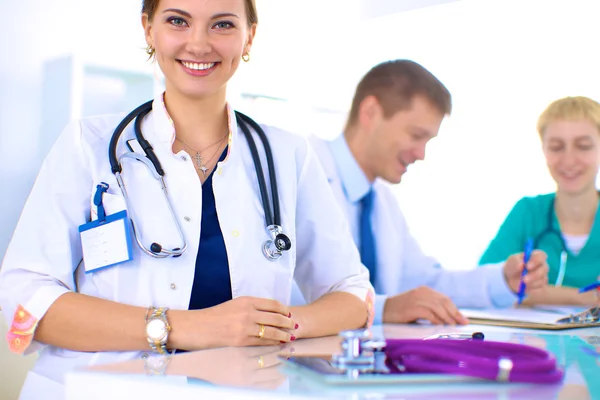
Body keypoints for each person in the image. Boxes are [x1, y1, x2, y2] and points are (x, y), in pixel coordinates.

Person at [0, 1, 373, 398]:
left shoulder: (288, 156)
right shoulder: (87, 146)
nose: (198, 44)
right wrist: (190, 327)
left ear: (250, 36)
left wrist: (266, 327)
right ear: (149, 29)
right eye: (178, 21)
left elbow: (351, 293)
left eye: (222, 25)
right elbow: (25, 297)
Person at [295, 59, 549, 325]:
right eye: (416, 135)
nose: (421, 154)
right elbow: (288, 293)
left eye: (427, 141)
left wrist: (502, 281)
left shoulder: (381, 201)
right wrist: (385, 308)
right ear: (370, 112)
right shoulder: (297, 174)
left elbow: (424, 283)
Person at [479, 96, 600, 305]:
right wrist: (587, 298)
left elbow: (510, 292)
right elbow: (485, 286)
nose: (569, 160)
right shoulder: (527, 212)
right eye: (556, 147)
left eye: (583, 146)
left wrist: (536, 294)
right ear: (543, 150)